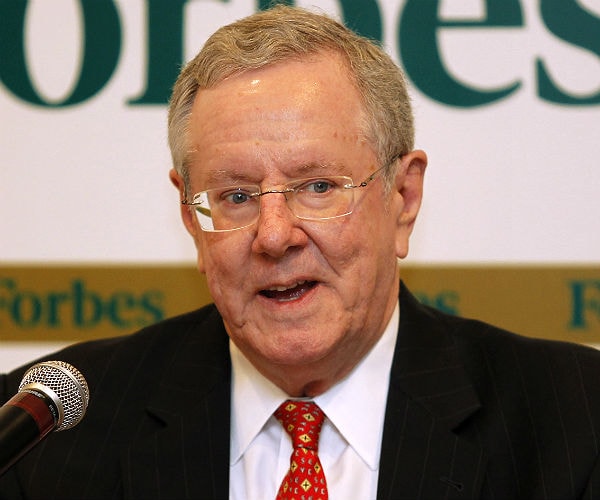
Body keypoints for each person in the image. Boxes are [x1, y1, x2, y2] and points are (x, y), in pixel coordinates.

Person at [1, 5, 599, 499]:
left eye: (317, 187)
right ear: (190, 216)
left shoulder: (576, 422)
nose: (274, 235)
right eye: (236, 196)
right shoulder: (42, 440)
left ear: (403, 198)